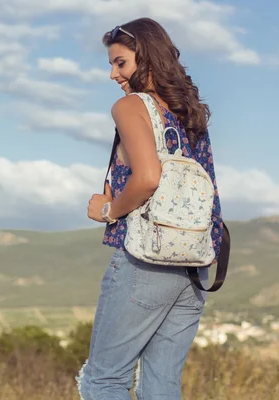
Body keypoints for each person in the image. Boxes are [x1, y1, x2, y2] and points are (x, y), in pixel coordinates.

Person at [77, 17, 224, 400]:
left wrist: (109, 210)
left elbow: (147, 178)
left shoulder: (131, 107)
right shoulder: (189, 111)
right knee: (160, 384)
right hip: (193, 264)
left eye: (120, 62)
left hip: (146, 259)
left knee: (104, 380)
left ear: (146, 58)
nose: (112, 73)